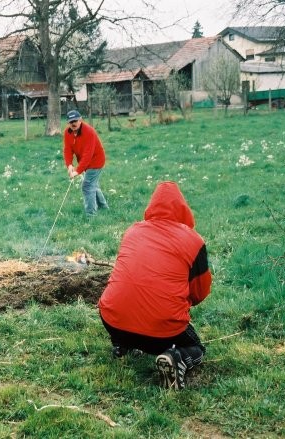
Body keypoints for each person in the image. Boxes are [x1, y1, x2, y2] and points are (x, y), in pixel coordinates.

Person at [97, 181, 212, 390]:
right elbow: (200, 292)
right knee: (197, 347)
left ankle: (122, 345)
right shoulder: (194, 241)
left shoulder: (132, 231)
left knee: (126, 308)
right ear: (184, 209)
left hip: (112, 320)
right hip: (162, 332)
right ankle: (177, 359)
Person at [63, 110, 109, 217]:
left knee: (87, 186)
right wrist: (69, 165)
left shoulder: (89, 132)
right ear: (68, 123)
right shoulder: (67, 132)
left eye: (75, 121)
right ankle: (104, 207)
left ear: (80, 120)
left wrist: (77, 171)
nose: (73, 123)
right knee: (93, 185)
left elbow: (88, 154)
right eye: (70, 122)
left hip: (96, 161)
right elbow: (67, 150)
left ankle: (90, 215)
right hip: (84, 162)